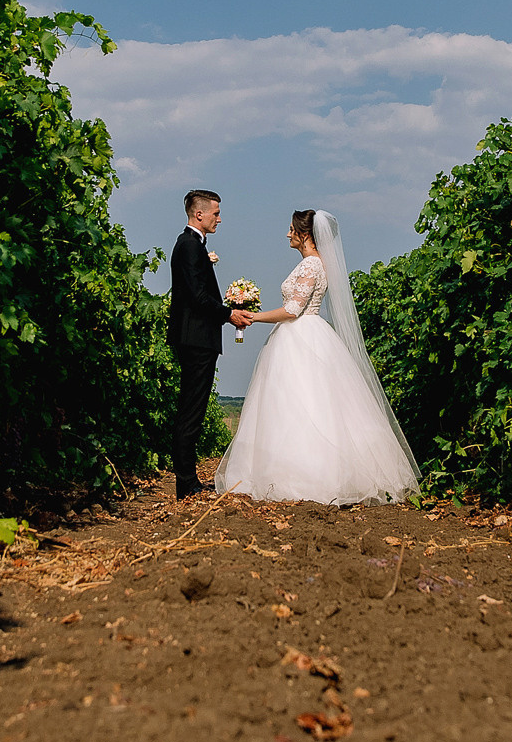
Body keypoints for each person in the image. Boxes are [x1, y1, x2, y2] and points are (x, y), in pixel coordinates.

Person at [215, 209, 419, 505]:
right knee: (308, 404)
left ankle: (305, 477)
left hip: (299, 334)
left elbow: (292, 311)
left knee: (301, 403)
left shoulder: (311, 265)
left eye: (291, 229)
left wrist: (254, 317)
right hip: (307, 333)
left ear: (305, 234)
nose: (287, 234)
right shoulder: (317, 264)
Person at [167, 189, 252, 498]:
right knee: (191, 408)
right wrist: (229, 313)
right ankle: (186, 483)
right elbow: (197, 297)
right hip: (195, 338)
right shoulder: (189, 246)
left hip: (196, 337)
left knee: (195, 407)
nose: (219, 218)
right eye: (216, 212)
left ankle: (188, 480)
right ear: (198, 214)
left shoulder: (192, 245)